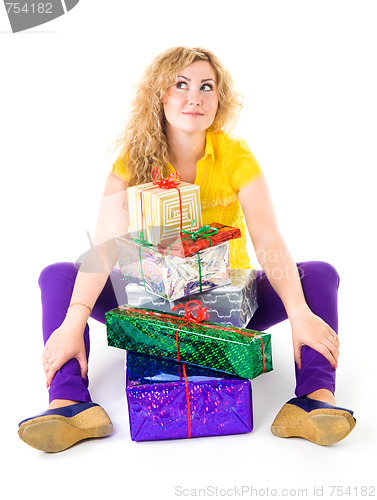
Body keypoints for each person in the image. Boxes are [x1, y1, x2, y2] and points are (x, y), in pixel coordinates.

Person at [18, 46, 356, 452]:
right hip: (150, 310)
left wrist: (299, 313)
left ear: (219, 99)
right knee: (58, 274)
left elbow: (267, 240)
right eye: (181, 85)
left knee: (318, 273)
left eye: (206, 86)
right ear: (160, 96)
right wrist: (74, 322)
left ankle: (315, 400)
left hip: (229, 309)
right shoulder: (131, 163)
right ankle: (69, 404)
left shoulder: (234, 156)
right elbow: (104, 248)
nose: (194, 96)